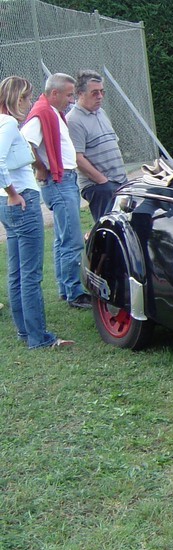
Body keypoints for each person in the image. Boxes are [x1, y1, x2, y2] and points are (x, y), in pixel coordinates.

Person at [0, 76, 73, 348]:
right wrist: (13, 193)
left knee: (17, 272)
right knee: (30, 274)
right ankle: (38, 337)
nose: (29, 103)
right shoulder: (7, 123)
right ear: (16, 99)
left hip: (8, 203)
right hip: (21, 201)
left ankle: (25, 330)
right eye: (27, 98)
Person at [21, 73, 91, 309]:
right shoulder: (41, 113)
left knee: (63, 237)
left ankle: (65, 287)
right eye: (69, 94)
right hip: (58, 181)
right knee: (71, 239)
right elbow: (25, 143)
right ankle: (74, 292)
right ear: (55, 93)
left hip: (63, 179)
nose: (71, 100)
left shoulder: (52, 112)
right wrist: (40, 167)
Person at [66, 70, 127, 221]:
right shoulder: (73, 120)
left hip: (119, 182)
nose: (100, 96)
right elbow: (77, 157)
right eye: (94, 93)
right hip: (100, 187)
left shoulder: (101, 113)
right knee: (108, 232)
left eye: (102, 92)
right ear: (80, 93)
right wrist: (102, 181)